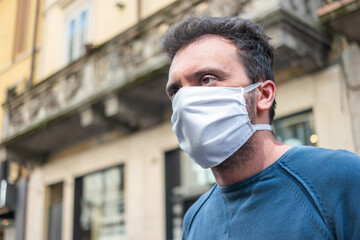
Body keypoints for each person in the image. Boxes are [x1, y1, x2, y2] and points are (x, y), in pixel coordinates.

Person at [162, 17, 360, 240]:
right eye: (176, 91)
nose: (186, 99)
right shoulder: (194, 217)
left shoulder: (341, 179)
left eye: (207, 79)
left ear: (263, 95)